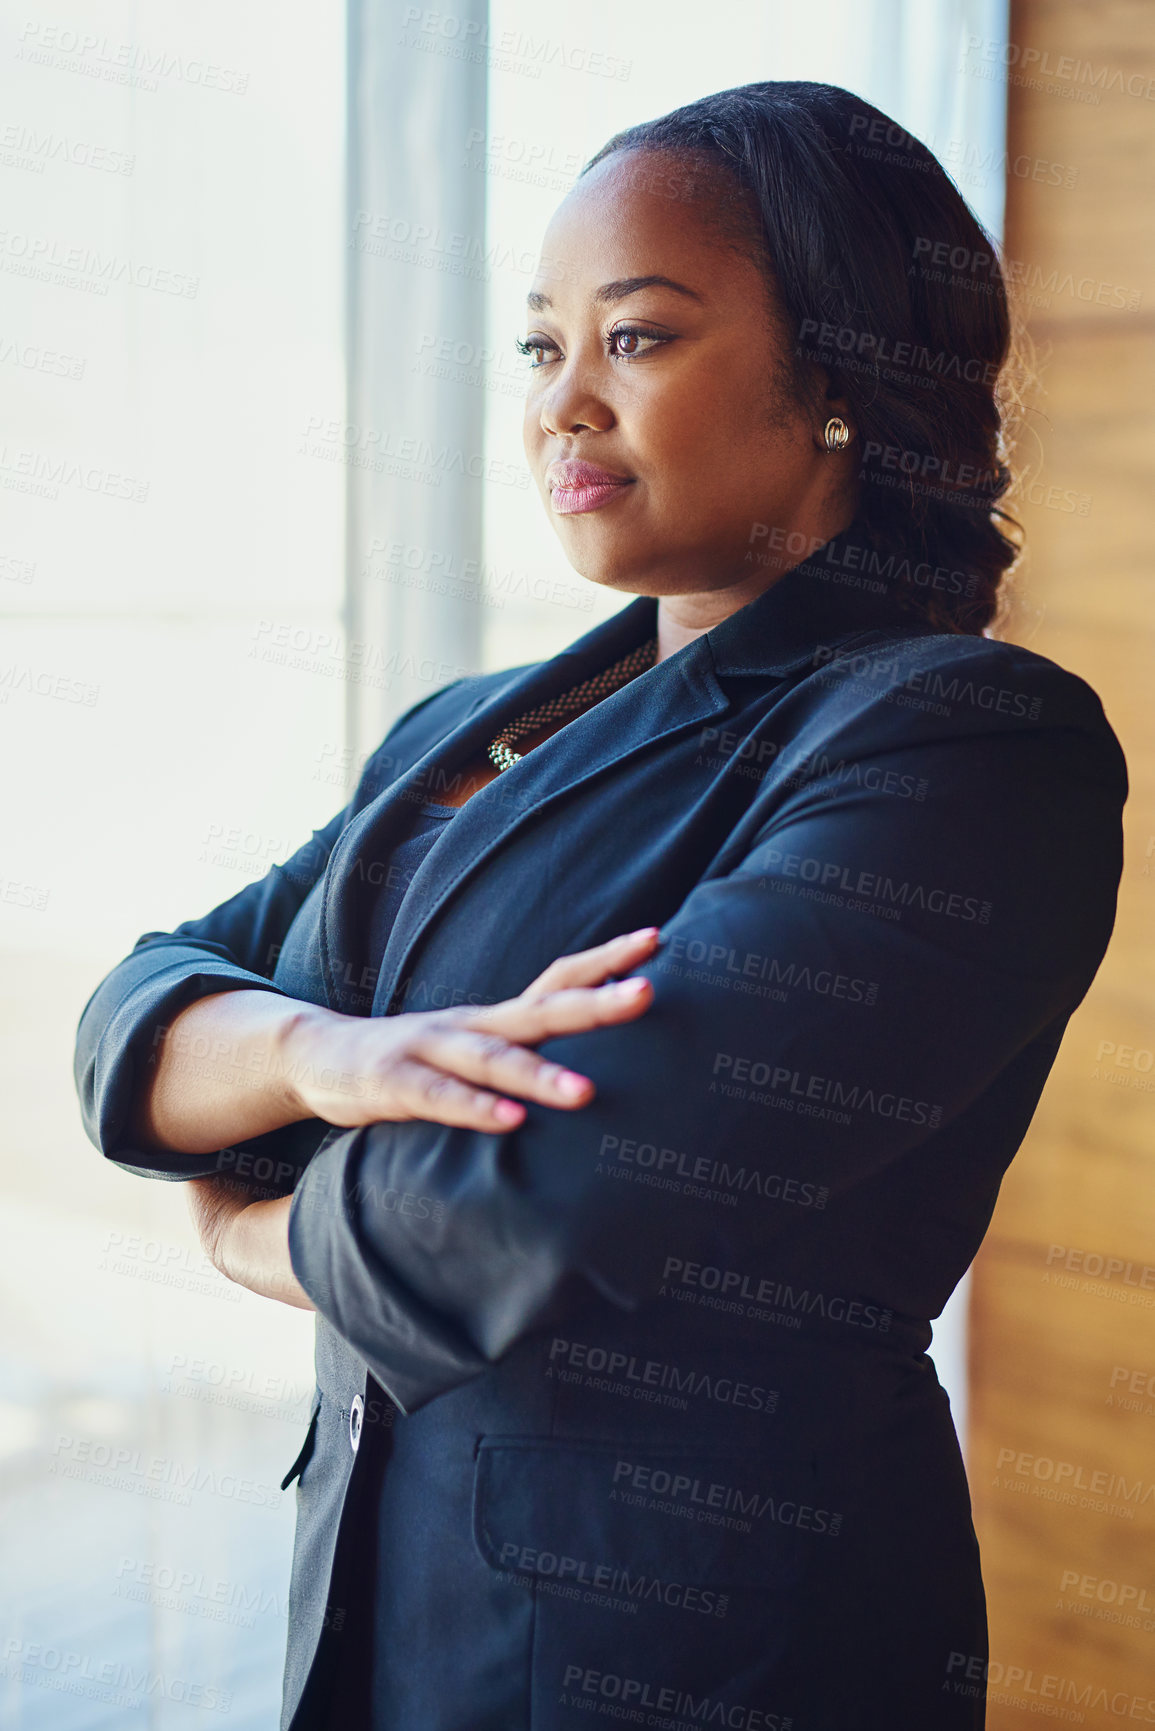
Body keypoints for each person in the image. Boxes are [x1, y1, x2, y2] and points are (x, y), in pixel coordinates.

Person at [74, 82, 1127, 1730]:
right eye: (538, 347)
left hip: (698, 1645)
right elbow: (138, 1017)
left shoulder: (963, 743)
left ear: (841, 372)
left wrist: (247, 1232)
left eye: (635, 340)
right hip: (380, 1609)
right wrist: (325, 1056)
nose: (563, 404)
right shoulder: (467, 731)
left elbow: (542, 1195)